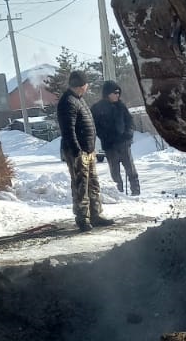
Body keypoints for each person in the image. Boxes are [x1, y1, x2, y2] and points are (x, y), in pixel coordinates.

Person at [56, 69, 113, 233]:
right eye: (86, 84)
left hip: (88, 150)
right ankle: (83, 218)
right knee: (81, 185)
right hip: (78, 152)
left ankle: (95, 214)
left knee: (93, 184)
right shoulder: (68, 102)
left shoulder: (78, 100)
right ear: (82, 85)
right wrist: (77, 151)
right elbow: (68, 130)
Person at [91, 80, 141, 196]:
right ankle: (119, 194)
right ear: (108, 93)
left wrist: (128, 135)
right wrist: (105, 137)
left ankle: (136, 192)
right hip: (110, 146)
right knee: (115, 172)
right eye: (115, 93)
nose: (117, 95)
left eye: (119, 93)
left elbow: (130, 122)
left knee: (131, 170)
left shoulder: (121, 106)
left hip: (123, 144)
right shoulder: (97, 108)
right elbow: (94, 127)